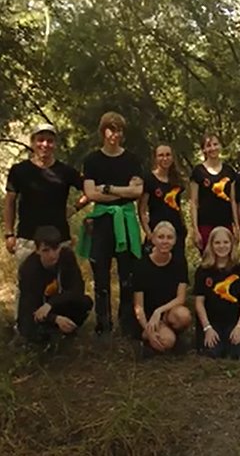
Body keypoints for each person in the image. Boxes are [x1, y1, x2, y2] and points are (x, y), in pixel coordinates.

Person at [5, 123, 85, 322]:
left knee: (60, 285)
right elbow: (10, 202)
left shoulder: (66, 171)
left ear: (55, 144)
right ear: (32, 142)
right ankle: (23, 327)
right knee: (26, 285)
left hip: (60, 240)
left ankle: (58, 325)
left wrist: (75, 208)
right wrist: (9, 233)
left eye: (49, 140)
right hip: (27, 238)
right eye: (40, 140)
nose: (45, 144)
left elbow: (89, 190)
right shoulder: (19, 170)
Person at [77, 112, 143, 339]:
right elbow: (90, 193)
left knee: (127, 276)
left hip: (126, 221)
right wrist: (120, 192)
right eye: (110, 129)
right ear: (102, 131)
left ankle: (127, 324)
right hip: (102, 222)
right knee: (101, 277)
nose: (115, 134)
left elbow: (137, 191)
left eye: (119, 130)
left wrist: (108, 189)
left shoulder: (132, 160)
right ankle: (103, 325)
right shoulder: (92, 160)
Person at [16, 226, 92, 345]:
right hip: (38, 311)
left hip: (55, 305)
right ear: (37, 250)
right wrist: (55, 318)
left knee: (85, 302)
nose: (52, 255)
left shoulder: (67, 257)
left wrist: (51, 304)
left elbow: (77, 289)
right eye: (46, 250)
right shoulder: (28, 269)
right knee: (29, 330)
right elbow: (28, 307)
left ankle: (68, 330)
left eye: (55, 248)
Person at [194, 226, 240, 359]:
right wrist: (207, 328)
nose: (222, 246)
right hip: (212, 322)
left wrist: (239, 327)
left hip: (234, 321)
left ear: (232, 244)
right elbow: (199, 303)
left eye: (226, 242)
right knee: (213, 353)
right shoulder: (203, 271)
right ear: (211, 245)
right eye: (217, 243)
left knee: (239, 353)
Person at [133, 221, 191, 355]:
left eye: (169, 237)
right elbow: (138, 307)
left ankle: (172, 335)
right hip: (146, 316)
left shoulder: (179, 261)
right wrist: (148, 329)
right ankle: (151, 338)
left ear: (175, 240)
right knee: (167, 341)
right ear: (153, 239)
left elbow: (181, 298)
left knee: (184, 315)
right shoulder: (141, 265)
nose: (165, 241)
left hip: (167, 312)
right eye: (161, 237)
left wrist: (159, 311)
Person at [189, 133, 237, 252]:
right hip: (205, 224)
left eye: (215, 144)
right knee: (208, 260)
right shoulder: (198, 171)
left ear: (220, 146)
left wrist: (237, 226)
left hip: (226, 223)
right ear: (204, 149)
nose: (213, 148)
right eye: (208, 145)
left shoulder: (229, 171)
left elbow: (233, 200)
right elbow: (194, 202)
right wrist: (195, 230)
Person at [139, 144, 187, 259]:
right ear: (155, 158)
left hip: (176, 231)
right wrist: (149, 233)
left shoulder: (177, 179)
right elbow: (142, 210)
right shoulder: (149, 179)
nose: (165, 158)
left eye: (168, 155)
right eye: (161, 155)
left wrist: (184, 228)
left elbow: (178, 206)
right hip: (156, 230)